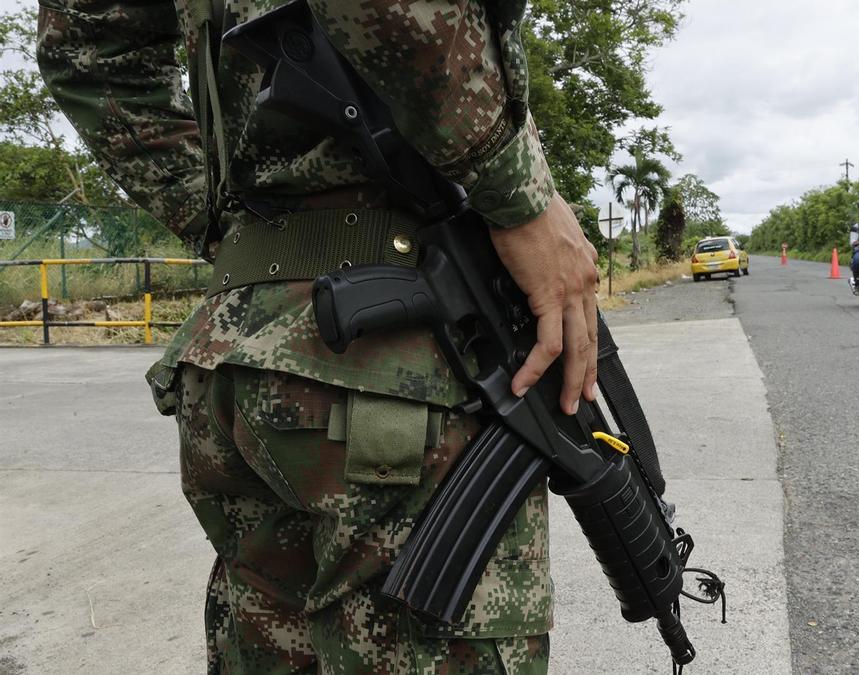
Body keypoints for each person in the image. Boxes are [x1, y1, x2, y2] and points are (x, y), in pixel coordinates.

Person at [37, 1, 599, 672]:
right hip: (395, 353)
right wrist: (520, 195)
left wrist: (229, 228)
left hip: (242, 335)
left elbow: (86, 49)